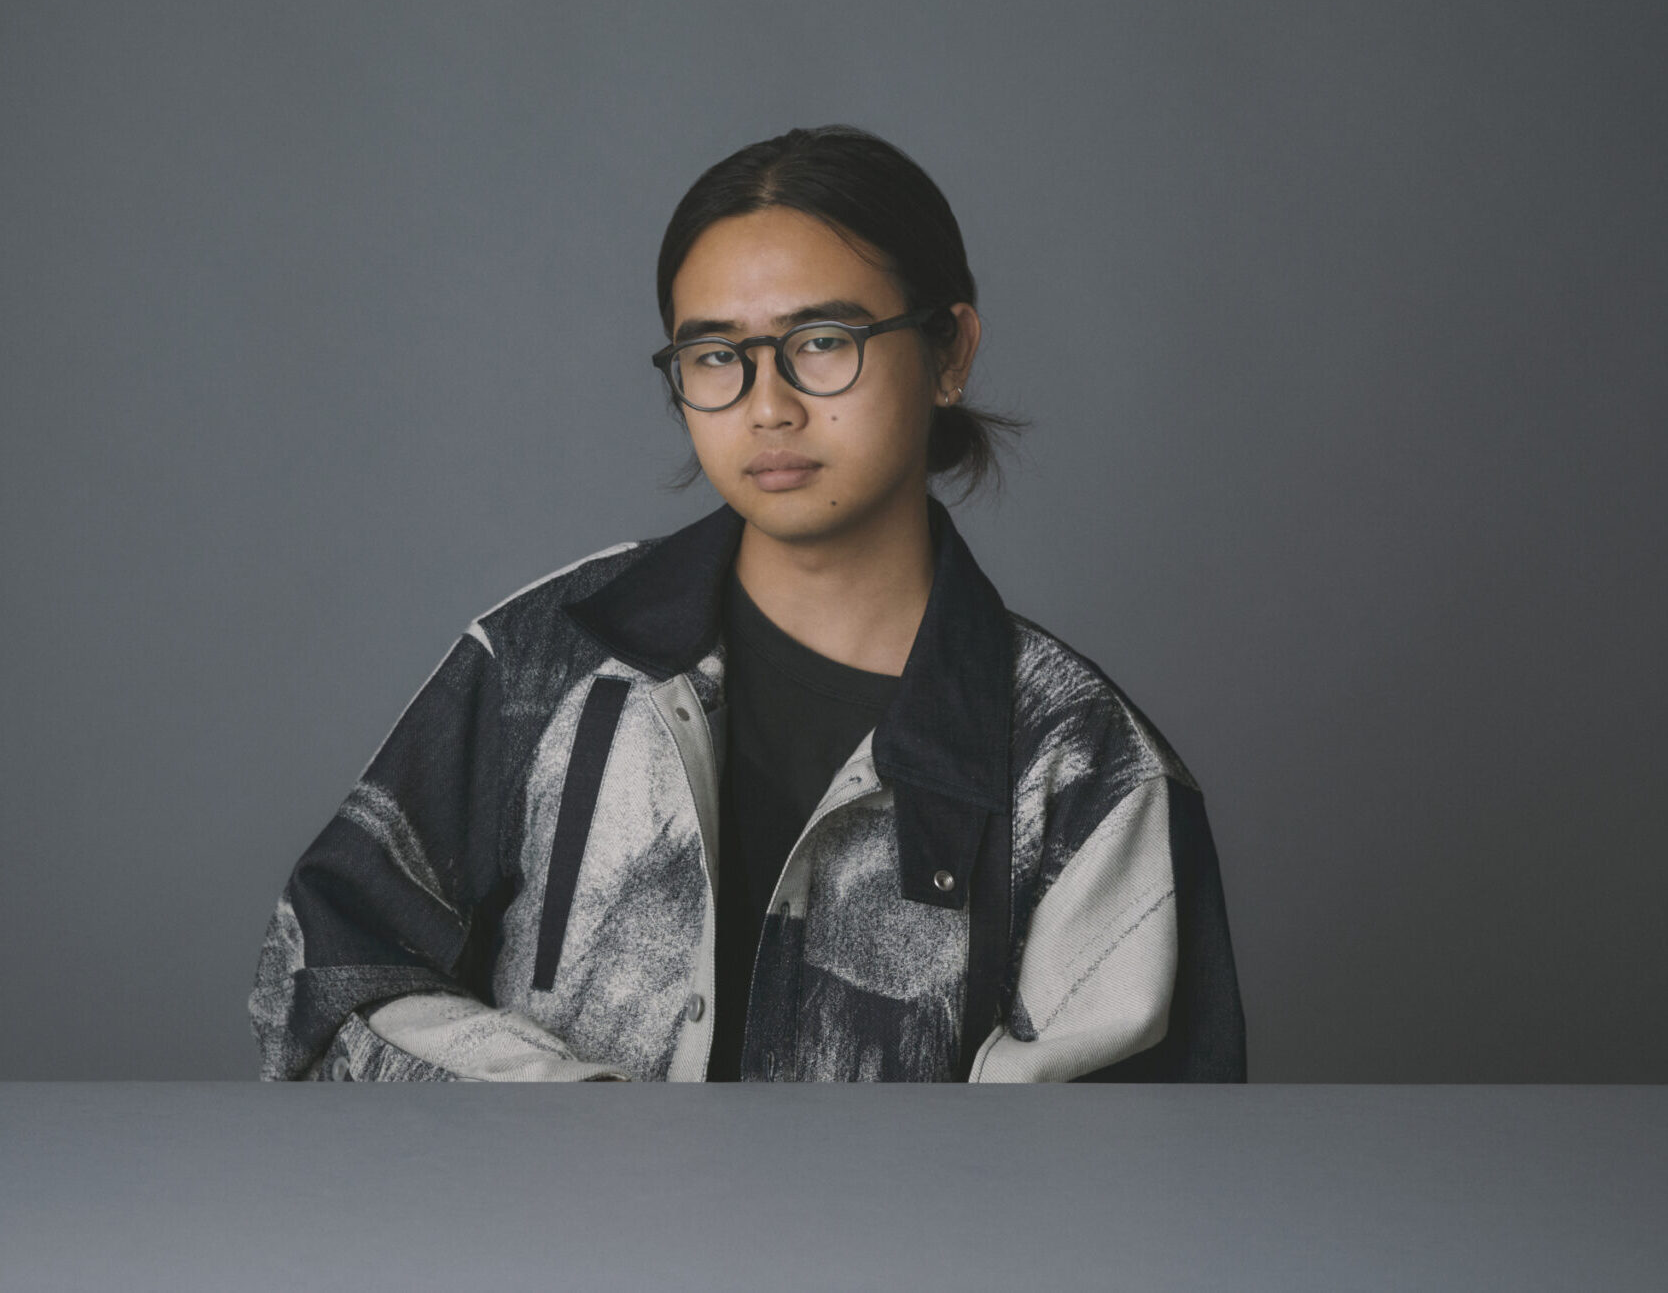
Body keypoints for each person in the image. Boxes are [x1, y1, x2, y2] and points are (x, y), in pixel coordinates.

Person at [249, 125, 1246, 1082]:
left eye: (824, 340)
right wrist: (572, 1120)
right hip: (558, 1215)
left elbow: (1130, 1162)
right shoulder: (546, 661)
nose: (769, 406)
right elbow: (322, 974)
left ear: (949, 352)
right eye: (717, 355)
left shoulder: (1086, 768)